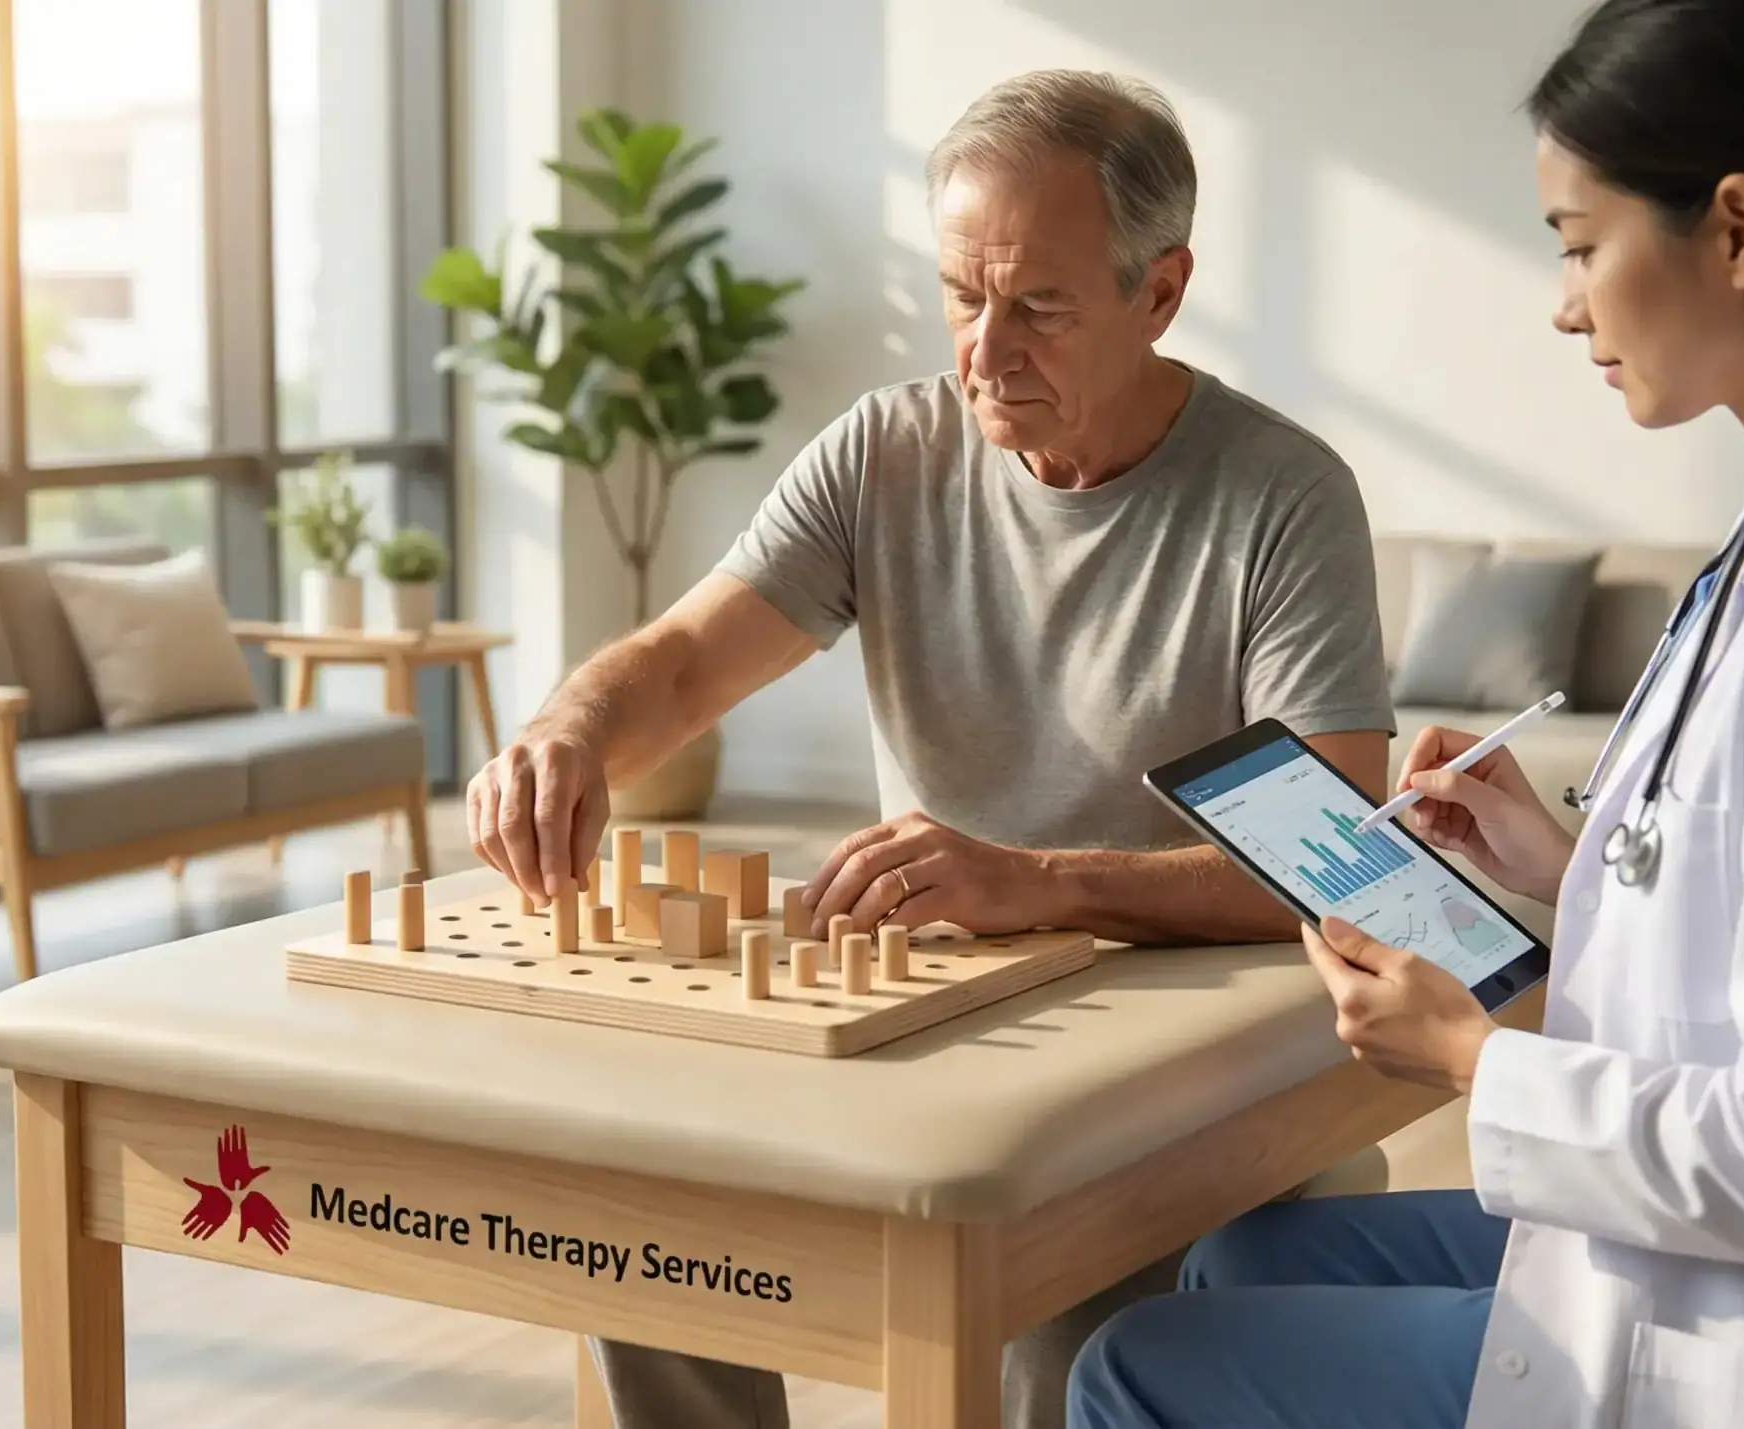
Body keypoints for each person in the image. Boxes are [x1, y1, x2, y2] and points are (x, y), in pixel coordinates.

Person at [1066, 1, 1744, 1427]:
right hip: (1735, 1247)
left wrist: (1475, 1059)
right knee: (1243, 1259)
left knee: (1137, 1373)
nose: (1565, 300)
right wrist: (1573, 860)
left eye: (1582, 243)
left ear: (1738, 230)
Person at [466, 70, 1396, 1429]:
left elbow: (1334, 858)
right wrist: (568, 729)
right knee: (645, 1237)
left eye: (1040, 306)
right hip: (932, 1024)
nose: (985, 350)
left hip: (1194, 1059)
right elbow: (676, 661)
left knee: (1058, 1348)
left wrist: (1037, 881)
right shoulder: (885, 455)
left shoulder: (1283, 497)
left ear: (1163, 291)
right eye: (963, 295)